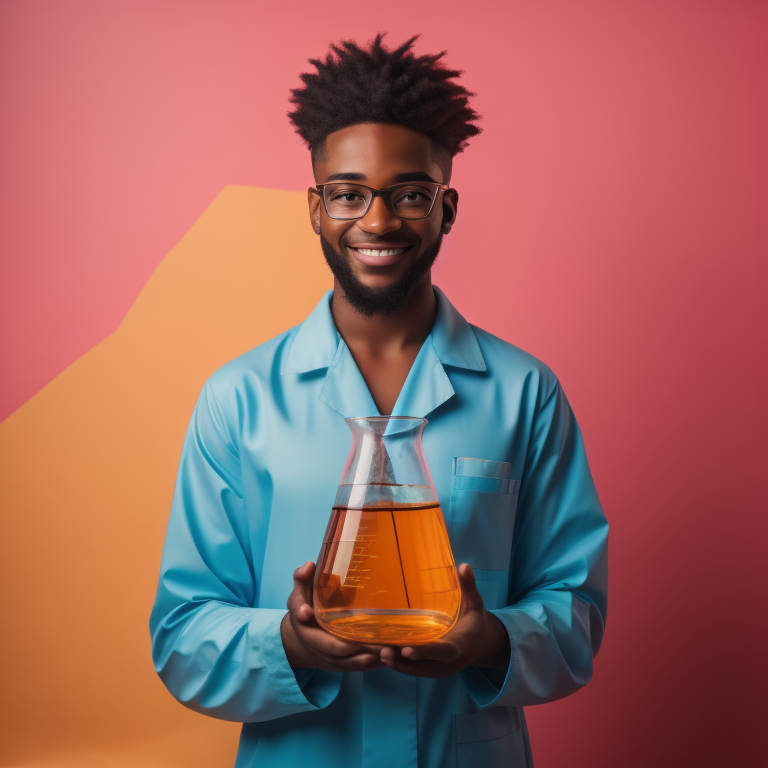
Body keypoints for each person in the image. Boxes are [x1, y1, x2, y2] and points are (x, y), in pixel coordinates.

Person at [149, 32, 609, 768]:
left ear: (447, 208)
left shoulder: (527, 394)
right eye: (349, 193)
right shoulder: (237, 401)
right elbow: (181, 635)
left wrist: (490, 640)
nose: (379, 220)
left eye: (410, 194)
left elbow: (577, 612)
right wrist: (290, 644)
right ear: (315, 207)